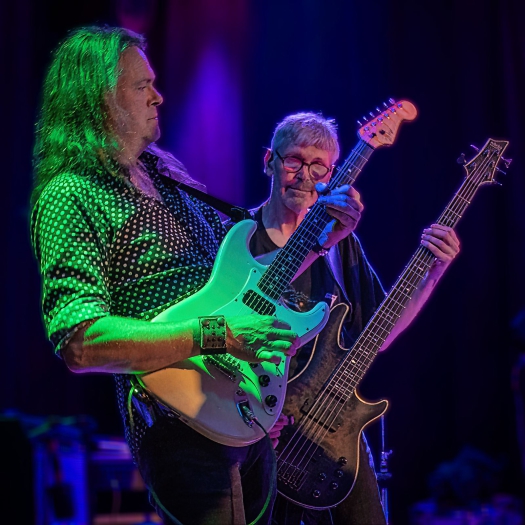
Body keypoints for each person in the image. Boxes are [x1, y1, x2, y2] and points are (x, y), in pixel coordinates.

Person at [29, 26, 364, 525]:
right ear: (101, 98)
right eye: (142, 85)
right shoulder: (70, 194)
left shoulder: (169, 181)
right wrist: (218, 335)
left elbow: (246, 286)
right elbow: (80, 340)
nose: (158, 96)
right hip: (177, 417)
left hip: (241, 409)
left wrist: (321, 242)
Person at [240, 113, 461, 525]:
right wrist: (247, 417)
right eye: (294, 161)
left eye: (319, 167)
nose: (305, 176)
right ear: (269, 161)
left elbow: (378, 334)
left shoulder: (343, 246)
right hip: (259, 435)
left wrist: (433, 273)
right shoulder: (237, 238)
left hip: (332, 433)